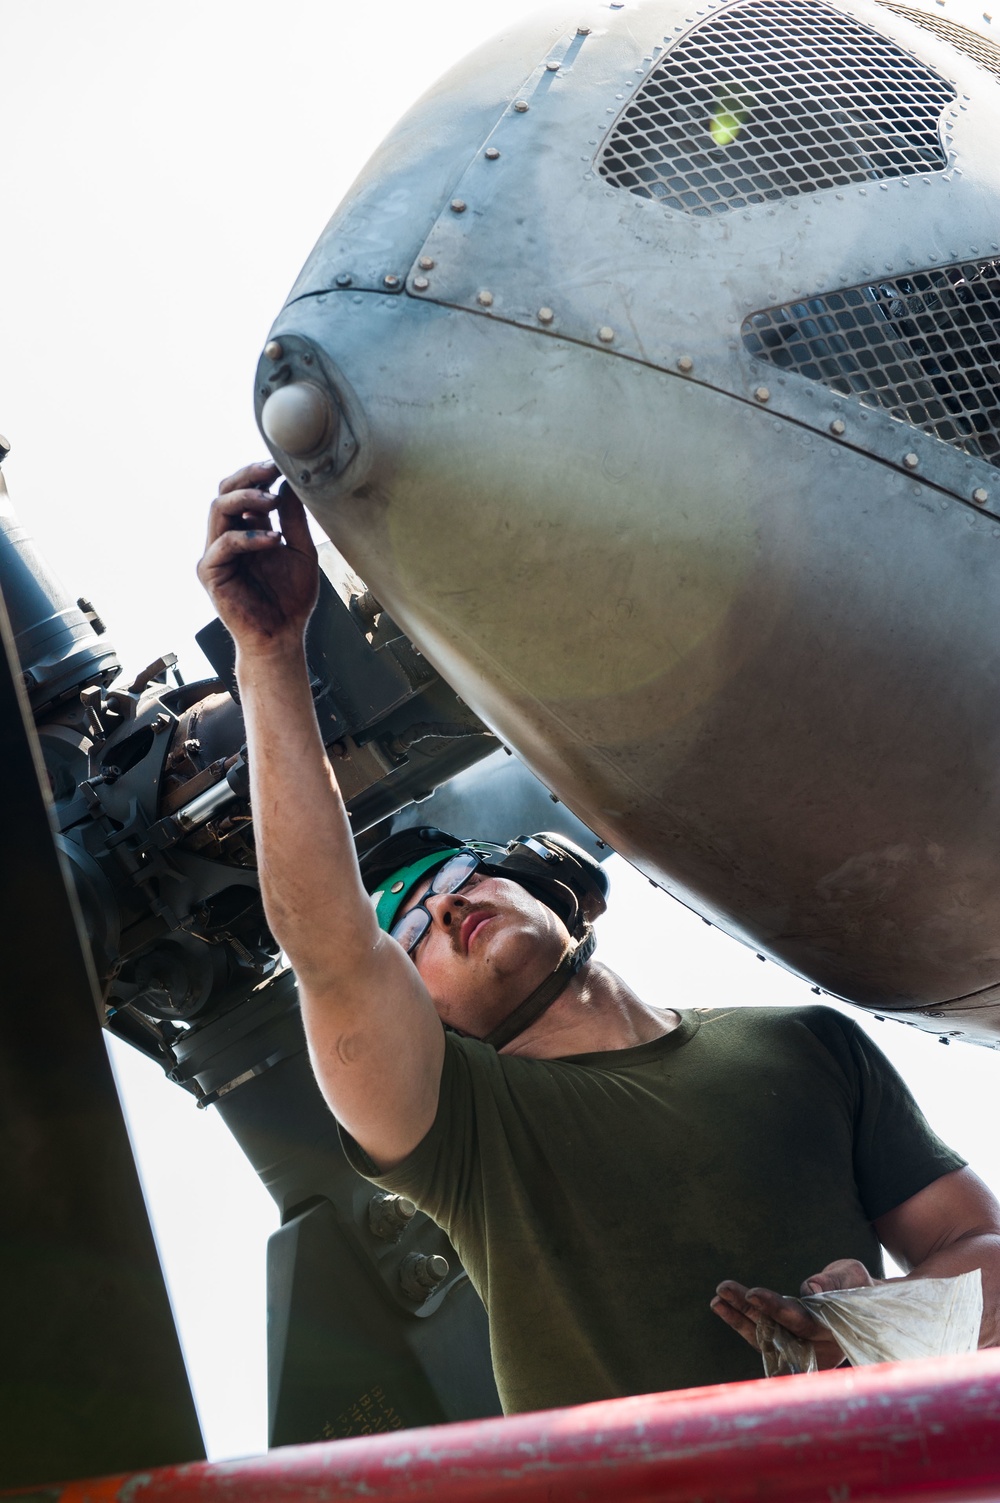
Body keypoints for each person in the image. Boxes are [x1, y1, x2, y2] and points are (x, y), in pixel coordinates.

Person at [198, 460, 1000, 1412]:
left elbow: (979, 1254)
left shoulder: (806, 1045)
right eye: (410, 931)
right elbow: (328, 945)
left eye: (458, 876)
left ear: (556, 882)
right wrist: (269, 654)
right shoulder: (462, 1129)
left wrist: (882, 1316)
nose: (445, 908)